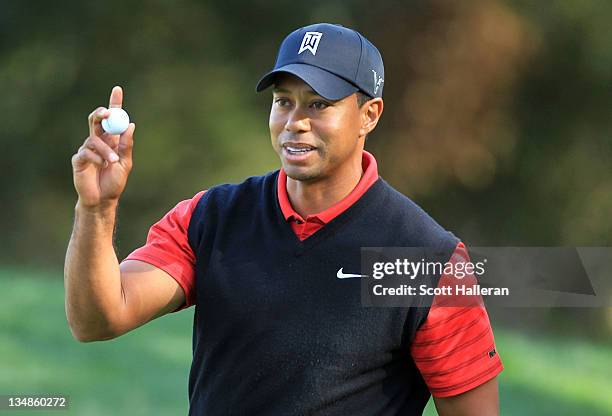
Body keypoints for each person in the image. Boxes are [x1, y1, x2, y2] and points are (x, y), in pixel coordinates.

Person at [65, 23, 503, 415]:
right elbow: (97, 319)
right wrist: (96, 209)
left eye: (318, 105)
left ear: (368, 115)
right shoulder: (211, 217)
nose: (295, 122)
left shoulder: (429, 259)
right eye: (283, 102)